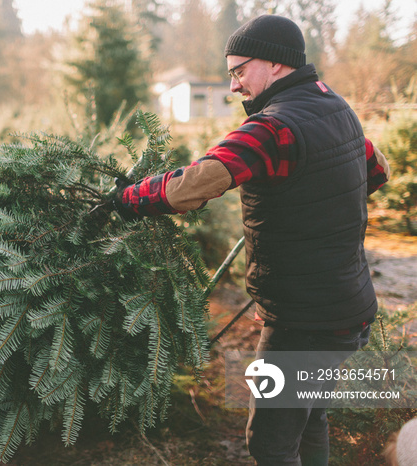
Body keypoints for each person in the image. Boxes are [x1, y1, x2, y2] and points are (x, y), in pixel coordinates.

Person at [113, 14, 390, 466]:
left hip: (303, 323)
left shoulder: (271, 129)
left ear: (276, 64)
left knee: (271, 441)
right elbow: (376, 170)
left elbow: (193, 184)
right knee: (310, 420)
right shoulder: (338, 108)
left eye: (239, 71)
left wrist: (126, 200)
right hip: (349, 308)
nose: (235, 85)